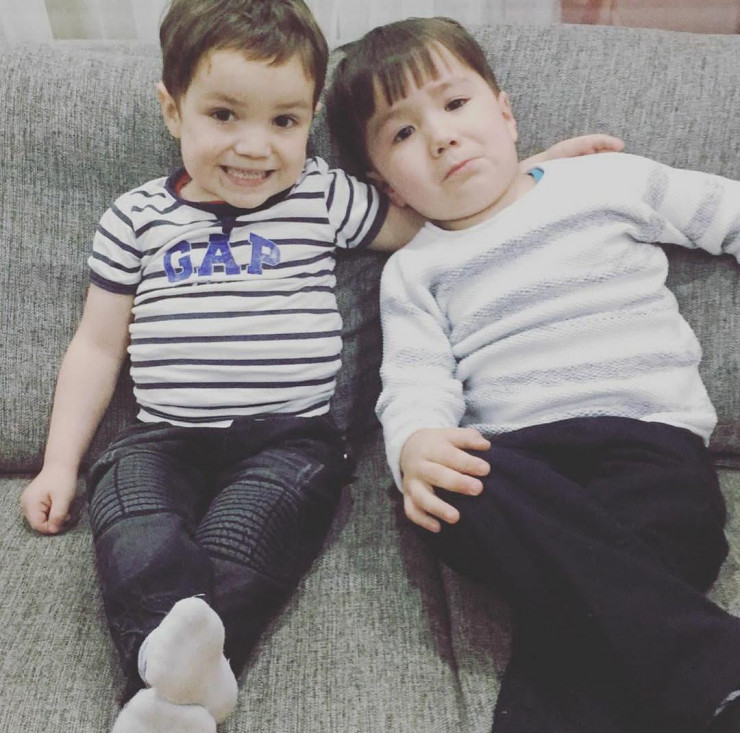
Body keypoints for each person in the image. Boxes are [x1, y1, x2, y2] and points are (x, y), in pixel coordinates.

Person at [19, 1, 622, 730]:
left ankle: (161, 702)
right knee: (135, 531)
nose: (254, 146)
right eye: (224, 114)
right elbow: (96, 346)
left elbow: (439, 215)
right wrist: (60, 464)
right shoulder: (135, 218)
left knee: (242, 546)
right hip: (162, 438)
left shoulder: (320, 194)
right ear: (172, 110)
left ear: (309, 119)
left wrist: (530, 172)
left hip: (288, 442)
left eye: (284, 120)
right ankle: (178, 680)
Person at [326, 16, 740, 733]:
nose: (441, 136)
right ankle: (713, 666)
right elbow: (415, 382)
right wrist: (415, 444)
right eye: (403, 133)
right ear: (387, 186)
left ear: (506, 114)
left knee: (607, 591)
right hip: (517, 469)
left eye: (456, 104)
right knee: (445, 493)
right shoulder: (415, 270)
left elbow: (726, 211)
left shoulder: (603, 179)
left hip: (649, 449)